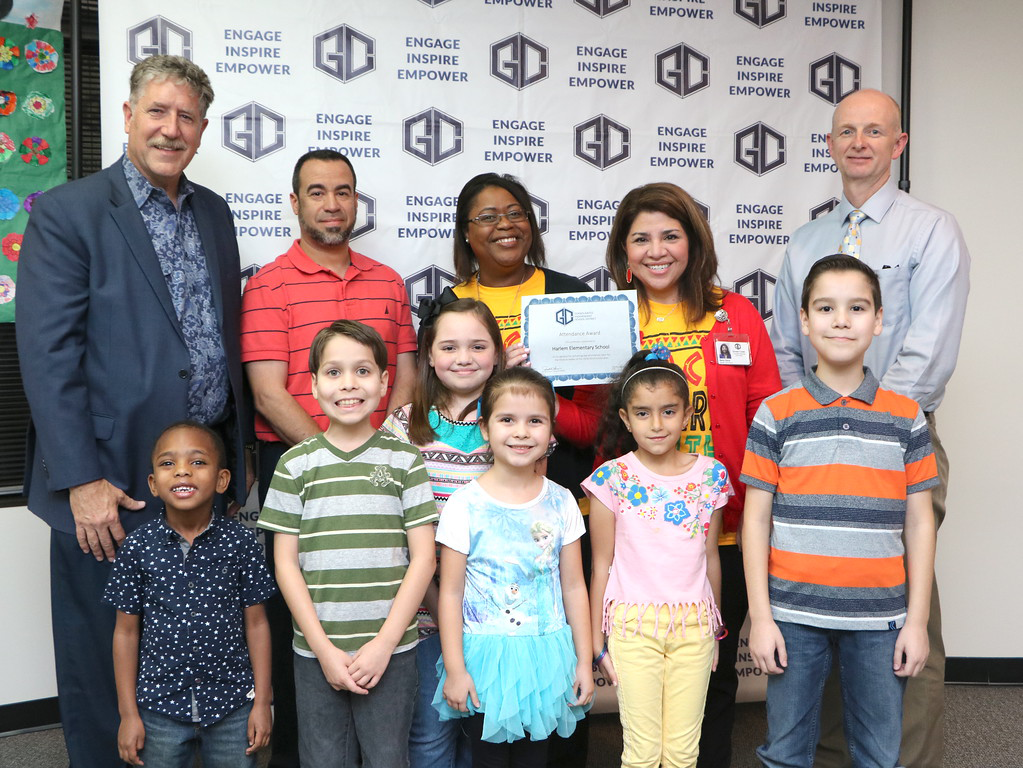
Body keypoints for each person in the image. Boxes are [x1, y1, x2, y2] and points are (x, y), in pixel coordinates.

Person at [16, 55, 249, 768]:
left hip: (198, 475)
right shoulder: (68, 213)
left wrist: (230, 467)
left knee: (193, 647)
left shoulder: (213, 211)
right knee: (101, 652)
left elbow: (216, 338)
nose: (169, 129)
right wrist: (79, 480)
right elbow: (49, 356)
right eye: (157, 112)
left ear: (202, 131)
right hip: (108, 482)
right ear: (126, 116)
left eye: (185, 117)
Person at [771, 89, 969, 768]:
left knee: (903, 609)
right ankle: (834, 756)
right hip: (809, 441)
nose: (858, 142)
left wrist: (872, 428)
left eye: (873, 131)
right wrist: (813, 427)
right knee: (820, 606)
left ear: (897, 144)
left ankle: (901, 761)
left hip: (897, 440)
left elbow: (927, 349)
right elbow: (786, 352)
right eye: (845, 131)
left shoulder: (930, 230)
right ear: (829, 143)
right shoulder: (805, 241)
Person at [241, 148, 418, 765]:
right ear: (295, 203)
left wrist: (378, 448)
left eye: (343, 191)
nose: (332, 203)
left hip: (382, 469)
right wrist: (332, 454)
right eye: (317, 192)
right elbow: (267, 389)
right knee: (309, 620)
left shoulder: (389, 282)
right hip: (300, 472)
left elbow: (406, 372)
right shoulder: (266, 285)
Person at [605, 182, 780, 767]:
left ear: (694, 241)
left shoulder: (737, 314)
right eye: (641, 238)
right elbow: (592, 423)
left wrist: (759, 508)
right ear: (623, 251)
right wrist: (544, 394)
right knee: (642, 684)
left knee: (713, 675)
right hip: (638, 536)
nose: (657, 250)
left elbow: (766, 415)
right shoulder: (606, 317)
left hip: (721, 529)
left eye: (671, 235)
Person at [742, 255, 938, 768]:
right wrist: (761, 617)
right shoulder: (777, 413)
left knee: (879, 753)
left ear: (879, 320)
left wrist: (916, 622)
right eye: (826, 308)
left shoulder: (906, 416)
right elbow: (755, 520)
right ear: (804, 321)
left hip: (881, 619)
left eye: (857, 308)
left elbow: (920, 523)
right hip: (793, 616)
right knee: (786, 751)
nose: (842, 320)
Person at [257, 320, 437, 768]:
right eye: (334, 372)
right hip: (317, 653)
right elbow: (286, 566)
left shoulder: (405, 459)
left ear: (383, 382)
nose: (349, 384)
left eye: (362, 371)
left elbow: (423, 560)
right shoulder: (295, 465)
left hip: (392, 652)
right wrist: (323, 649)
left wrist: (382, 645)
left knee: (388, 758)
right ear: (314, 384)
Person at [432, 367, 593, 767]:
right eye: (507, 420)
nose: (521, 432)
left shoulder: (562, 502)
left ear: (550, 431)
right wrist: (455, 669)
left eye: (535, 421)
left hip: (547, 655)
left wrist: (584, 662)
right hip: (487, 658)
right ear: (485, 428)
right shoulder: (464, 505)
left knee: (535, 759)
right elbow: (451, 593)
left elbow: (574, 586)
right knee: (487, 759)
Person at [584, 348, 732, 768]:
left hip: (695, 627)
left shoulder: (711, 474)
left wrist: (716, 627)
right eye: (643, 413)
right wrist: (597, 641)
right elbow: (601, 565)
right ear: (627, 419)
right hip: (633, 627)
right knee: (643, 752)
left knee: (684, 753)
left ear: (687, 414)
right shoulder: (611, 478)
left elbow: (710, 556)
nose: (657, 424)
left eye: (668, 411)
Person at [105, 421, 275, 767]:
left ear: (222, 479)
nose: (182, 471)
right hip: (159, 709)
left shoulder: (240, 542)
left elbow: (256, 625)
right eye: (168, 464)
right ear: (153, 484)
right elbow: (125, 632)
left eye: (197, 462)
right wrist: (128, 715)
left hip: (232, 706)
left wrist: (262, 703)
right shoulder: (138, 546)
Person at [381, 298, 504, 768]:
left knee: (486, 736)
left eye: (478, 345)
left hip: (494, 614)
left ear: (497, 354)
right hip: (426, 610)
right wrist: (434, 598)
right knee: (430, 736)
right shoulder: (402, 425)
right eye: (449, 346)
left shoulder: (511, 422)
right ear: (429, 355)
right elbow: (392, 525)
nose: (464, 357)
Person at [450, 172, 601, 497]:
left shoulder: (573, 296)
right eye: (488, 217)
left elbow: (596, 425)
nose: (505, 225)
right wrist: (493, 374)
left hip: (565, 496)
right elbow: (438, 412)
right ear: (466, 231)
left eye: (516, 214)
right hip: (469, 495)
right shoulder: (449, 307)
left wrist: (536, 391)